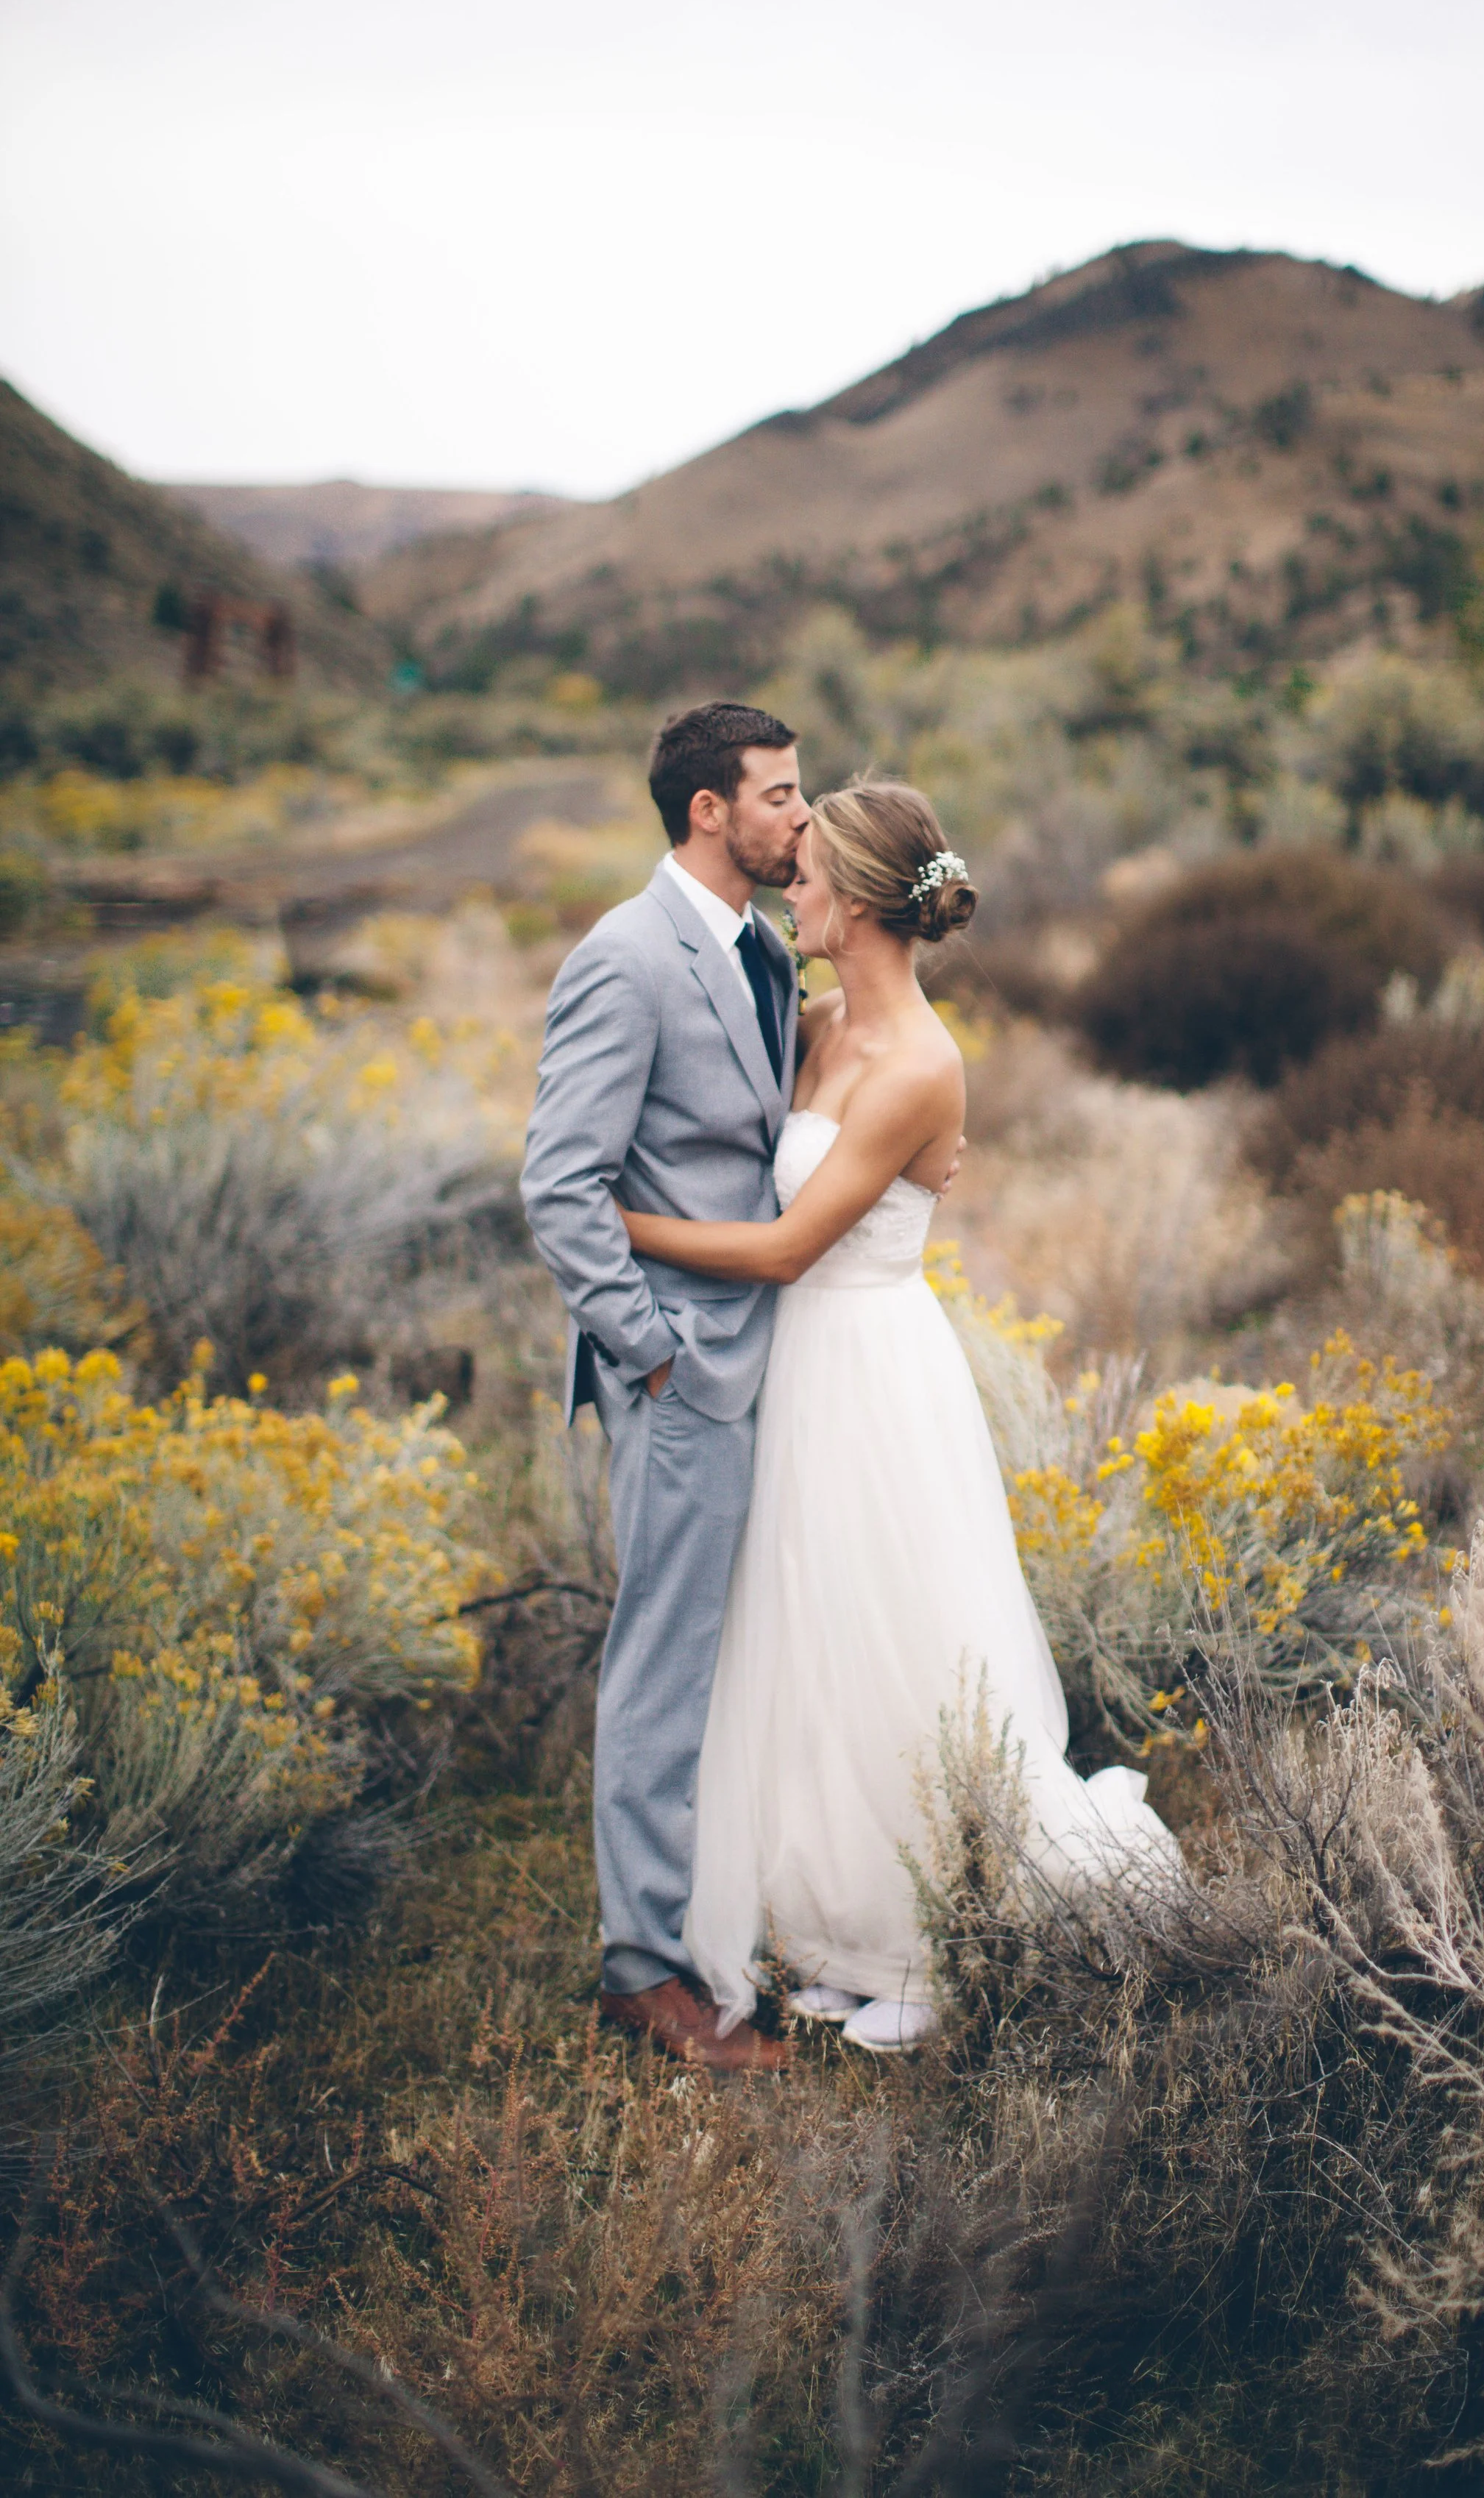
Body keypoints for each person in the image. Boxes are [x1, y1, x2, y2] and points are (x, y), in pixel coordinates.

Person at [617, 780, 1175, 2053]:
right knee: (813, 1639)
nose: (786, 884)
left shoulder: (925, 1064)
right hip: (795, 1372)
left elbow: (785, 1248)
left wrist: (613, 1228)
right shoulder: (809, 1019)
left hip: (870, 1365)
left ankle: (925, 1934)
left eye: (805, 869)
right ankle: (834, 1924)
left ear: (861, 899)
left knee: (901, 1641)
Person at [521, 700, 806, 2074]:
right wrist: (650, 1351)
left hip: (766, 1356)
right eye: (783, 795)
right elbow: (559, 1184)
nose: (801, 816)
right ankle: (641, 1970)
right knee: (664, 1656)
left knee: (737, 1650)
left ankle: (726, 1916)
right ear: (711, 809)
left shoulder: (760, 950)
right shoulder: (626, 962)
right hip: (682, 1369)